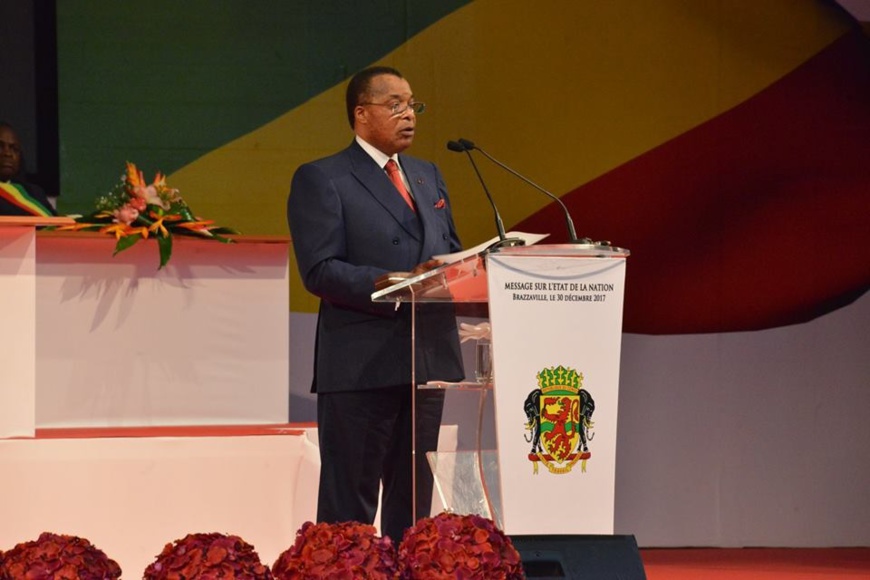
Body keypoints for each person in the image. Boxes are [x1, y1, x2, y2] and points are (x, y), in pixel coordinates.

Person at [287, 66, 465, 543]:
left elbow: (450, 250)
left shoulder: (428, 176)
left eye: (413, 105)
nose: (409, 114)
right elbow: (319, 269)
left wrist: (462, 268)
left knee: (414, 505)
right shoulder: (323, 178)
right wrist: (387, 282)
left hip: (424, 358)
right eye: (395, 104)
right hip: (360, 362)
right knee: (350, 508)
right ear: (361, 114)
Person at [0, 122, 55, 216]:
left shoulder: (35, 193)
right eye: (0, 147)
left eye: (14, 149)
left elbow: (56, 225)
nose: (8, 153)